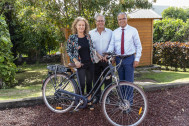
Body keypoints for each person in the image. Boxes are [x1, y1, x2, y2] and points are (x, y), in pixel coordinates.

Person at [66, 17, 102, 110]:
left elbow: (92, 48)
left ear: (85, 26)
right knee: (81, 83)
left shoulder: (88, 36)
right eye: (79, 25)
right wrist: (76, 61)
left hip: (90, 63)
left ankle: (89, 101)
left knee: (89, 83)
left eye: (83, 25)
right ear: (76, 26)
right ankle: (80, 101)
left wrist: (98, 54)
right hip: (80, 64)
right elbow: (69, 51)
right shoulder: (72, 38)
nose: (81, 27)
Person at [107, 12, 142, 105]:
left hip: (129, 59)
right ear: (117, 21)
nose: (122, 20)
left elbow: (138, 45)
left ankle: (128, 104)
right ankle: (122, 102)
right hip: (118, 59)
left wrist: (137, 58)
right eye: (120, 19)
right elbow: (112, 46)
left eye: (123, 18)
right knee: (120, 82)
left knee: (129, 83)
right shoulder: (115, 32)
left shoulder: (133, 30)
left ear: (127, 19)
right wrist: (110, 56)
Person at [89, 14, 112, 104]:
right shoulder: (90, 33)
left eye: (102, 20)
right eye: (98, 21)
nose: (100, 22)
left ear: (104, 22)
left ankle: (107, 97)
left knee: (108, 79)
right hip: (95, 60)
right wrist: (98, 54)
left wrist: (107, 55)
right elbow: (90, 47)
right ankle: (97, 97)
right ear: (96, 22)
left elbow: (112, 44)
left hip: (107, 60)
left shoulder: (110, 32)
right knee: (96, 79)